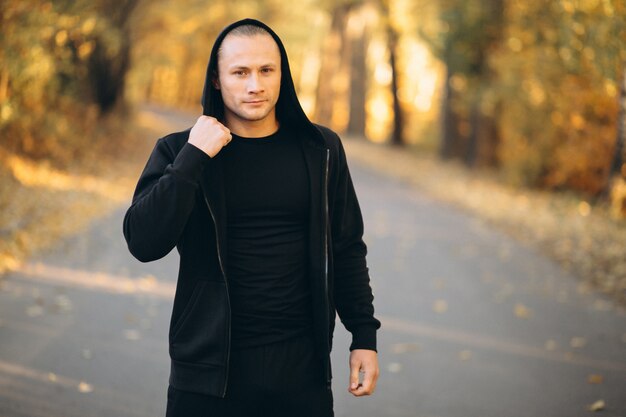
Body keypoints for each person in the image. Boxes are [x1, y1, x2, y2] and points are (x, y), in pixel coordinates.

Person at [123, 18, 380, 417]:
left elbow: (346, 246)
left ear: (282, 74)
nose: (254, 85)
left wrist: (363, 335)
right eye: (240, 72)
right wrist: (193, 158)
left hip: (302, 374)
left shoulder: (320, 148)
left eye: (266, 70)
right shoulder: (179, 152)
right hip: (208, 375)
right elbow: (143, 243)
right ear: (216, 79)